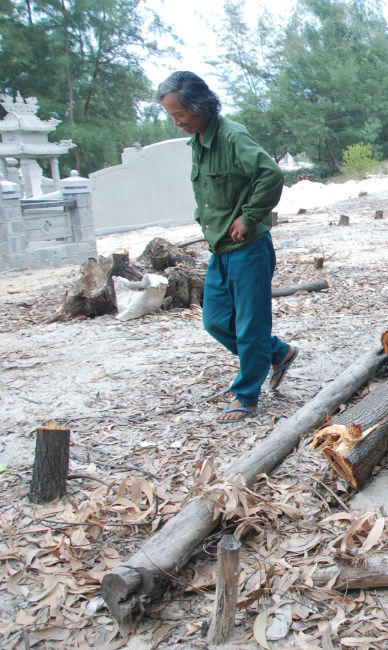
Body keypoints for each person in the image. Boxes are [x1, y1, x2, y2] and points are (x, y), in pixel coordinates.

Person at [157, 71, 297, 423]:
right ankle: (278, 352)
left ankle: (247, 395)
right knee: (216, 321)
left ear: (198, 105)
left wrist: (249, 216)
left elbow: (271, 174)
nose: (176, 122)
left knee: (250, 326)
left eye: (179, 114)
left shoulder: (233, 136)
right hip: (219, 249)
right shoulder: (198, 141)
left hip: (248, 248)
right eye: (171, 115)